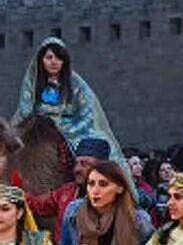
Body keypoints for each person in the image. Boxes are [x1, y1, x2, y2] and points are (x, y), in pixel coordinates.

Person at [14, 38, 126, 176]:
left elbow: (87, 111)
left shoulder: (76, 84)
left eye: (59, 58)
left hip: (74, 129)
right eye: (49, 57)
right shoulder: (32, 83)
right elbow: (26, 110)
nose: (54, 62)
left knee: (96, 151)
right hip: (39, 126)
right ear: (41, 60)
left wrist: (68, 127)